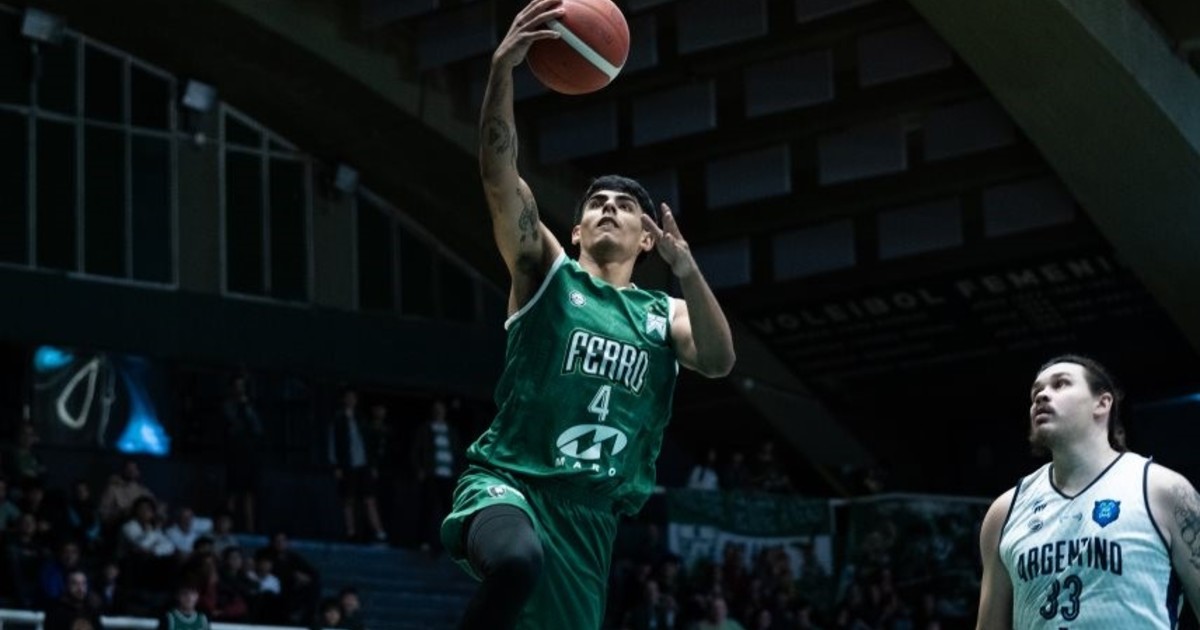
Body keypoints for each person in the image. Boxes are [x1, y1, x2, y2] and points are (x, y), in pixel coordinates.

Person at [441, 1, 736, 628]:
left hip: (590, 519)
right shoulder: (547, 273)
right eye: (596, 202)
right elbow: (499, 176)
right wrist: (502, 71)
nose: (608, 208)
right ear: (575, 229)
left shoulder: (663, 314)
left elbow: (717, 360)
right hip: (510, 484)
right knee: (516, 560)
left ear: (647, 238)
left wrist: (688, 271)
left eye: (624, 206)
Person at [975, 354, 1200, 628]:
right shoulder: (1003, 512)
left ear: (1102, 403)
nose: (1042, 396)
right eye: (1036, 392)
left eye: (1060, 384)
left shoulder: (1163, 490)